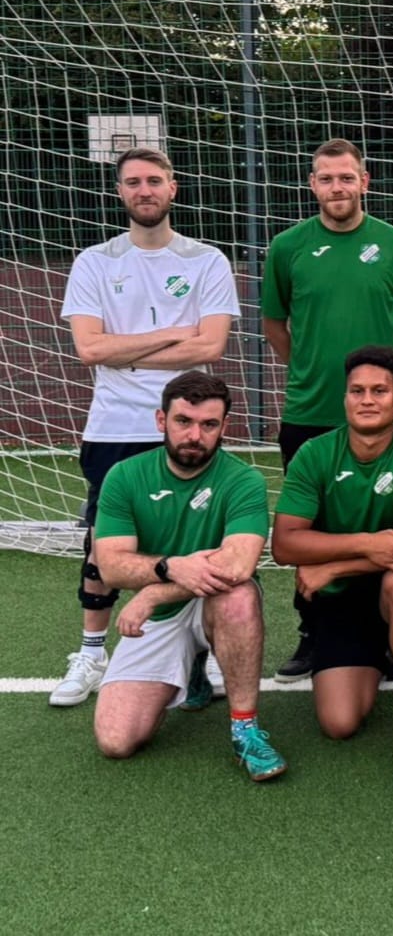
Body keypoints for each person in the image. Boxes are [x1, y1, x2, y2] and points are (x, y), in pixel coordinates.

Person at [53, 147, 239, 708]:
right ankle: (91, 652)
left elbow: (211, 345)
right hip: (115, 425)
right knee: (103, 540)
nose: (144, 190)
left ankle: (203, 650)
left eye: (154, 180)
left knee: (199, 533)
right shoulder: (95, 262)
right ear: (120, 192)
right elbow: (89, 349)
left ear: (172, 188)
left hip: (189, 421)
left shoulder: (207, 260)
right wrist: (174, 334)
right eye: (133, 182)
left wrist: (125, 349)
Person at [262, 138, 393, 682]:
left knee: (387, 526)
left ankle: (384, 631)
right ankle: (314, 632)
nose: (337, 187)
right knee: (309, 529)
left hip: (383, 415)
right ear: (312, 184)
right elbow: (274, 324)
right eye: (327, 178)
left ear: (364, 181)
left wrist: (383, 377)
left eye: (346, 177)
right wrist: (309, 368)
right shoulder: (287, 247)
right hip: (310, 410)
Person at [91, 371, 286, 781]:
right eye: (184, 421)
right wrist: (170, 566)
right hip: (165, 616)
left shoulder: (244, 480)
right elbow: (110, 566)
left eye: (208, 424)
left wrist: (152, 594)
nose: (195, 435)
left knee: (239, 596)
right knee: (116, 740)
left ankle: (245, 730)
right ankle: (193, 668)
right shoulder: (124, 476)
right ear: (162, 420)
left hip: (213, 601)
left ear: (224, 426)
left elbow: (238, 565)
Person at [270, 346, 393, 778]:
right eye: (357, 391)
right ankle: (384, 651)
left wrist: (336, 565)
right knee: (340, 723)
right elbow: (285, 545)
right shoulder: (315, 453)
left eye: (379, 391)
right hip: (341, 598)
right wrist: (369, 544)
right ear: (345, 398)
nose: (367, 399)